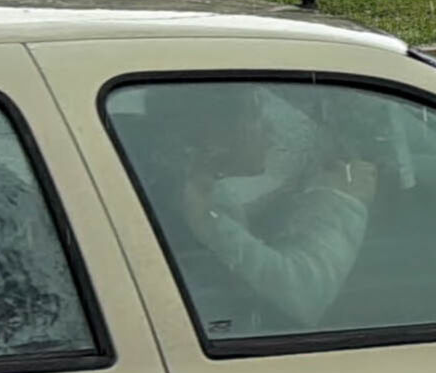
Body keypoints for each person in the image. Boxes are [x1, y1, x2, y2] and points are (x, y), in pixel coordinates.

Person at [144, 85, 372, 337]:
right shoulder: (193, 206)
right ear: (214, 136)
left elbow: (233, 238)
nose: (270, 130)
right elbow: (299, 290)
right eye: (254, 116)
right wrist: (342, 200)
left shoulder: (177, 189)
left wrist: (297, 195)